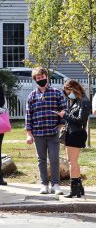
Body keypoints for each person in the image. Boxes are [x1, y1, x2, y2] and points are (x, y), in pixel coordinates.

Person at [25, 67, 65, 195]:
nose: (41, 79)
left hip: (53, 132)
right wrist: (29, 134)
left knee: (54, 158)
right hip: (38, 134)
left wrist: (60, 126)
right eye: (38, 78)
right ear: (35, 79)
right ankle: (44, 184)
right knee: (41, 160)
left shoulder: (56, 92)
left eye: (42, 77)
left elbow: (64, 110)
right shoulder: (31, 95)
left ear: (46, 77)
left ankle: (56, 184)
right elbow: (28, 116)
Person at [57, 80, 90, 198]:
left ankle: (74, 189)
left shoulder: (84, 101)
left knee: (72, 162)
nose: (68, 94)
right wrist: (66, 113)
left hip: (76, 134)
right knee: (72, 161)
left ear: (74, 89)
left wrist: (65, 115)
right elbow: (74, 116)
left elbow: (80, 120)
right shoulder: (76, 101)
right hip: (71, 133)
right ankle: (79, 187)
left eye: (68, 91)